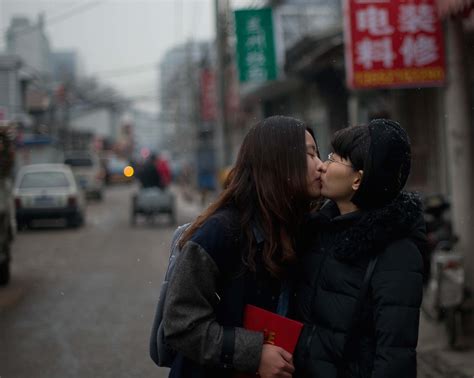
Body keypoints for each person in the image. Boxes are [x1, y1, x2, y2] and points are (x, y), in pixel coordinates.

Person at [162, 115, 323, 378]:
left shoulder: (302, 229)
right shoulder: (219, 234)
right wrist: (253, 354)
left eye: (319, 154)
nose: (321, 166)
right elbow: (182, 325)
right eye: (310, 155)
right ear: (278, 164)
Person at [293, 119, 426, 378]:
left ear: (358, 179)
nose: (322, 166)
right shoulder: (318, 230)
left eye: (334, 159)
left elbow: (394, 357)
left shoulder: (396, 252)